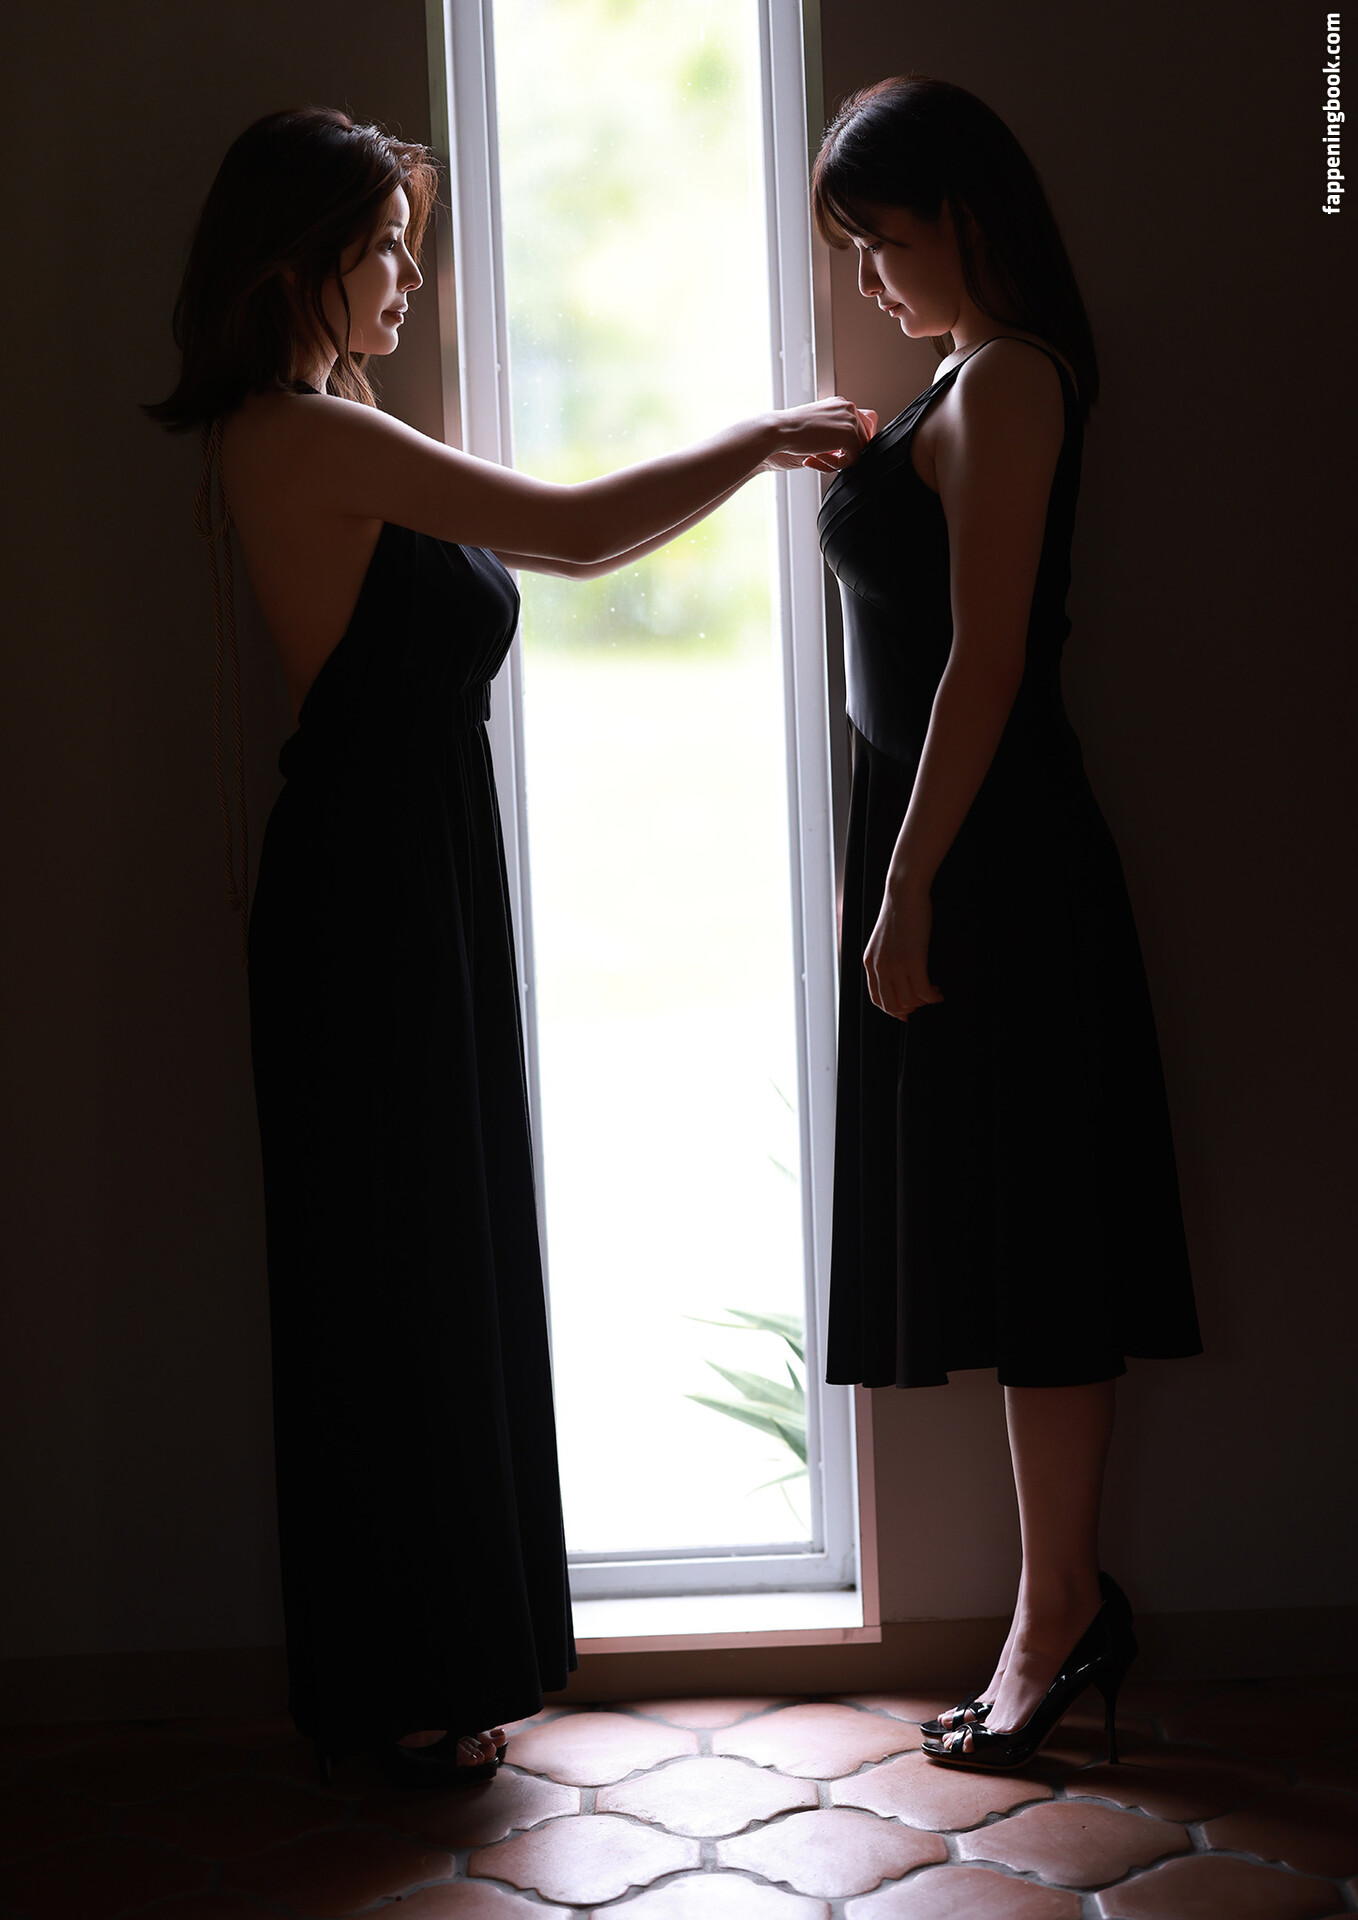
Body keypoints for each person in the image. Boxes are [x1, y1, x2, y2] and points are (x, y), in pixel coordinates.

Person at [149, 105, 868, 1788]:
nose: (411, 277)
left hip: (410, 873)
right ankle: (397, 1681)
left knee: (427, 1261)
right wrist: (760, 439)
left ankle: (439, 1661)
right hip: (366, 891)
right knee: (390, 1275)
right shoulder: (295, 434)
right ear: (301, 266)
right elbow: (573, 529)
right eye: (387, 250)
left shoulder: (341, 417)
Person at [812, 76, 1202, 1770]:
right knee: (1006, 1235)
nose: (866, 276)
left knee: (1043, 1246)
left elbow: (986, 659)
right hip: (959, 846)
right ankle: (1061, 1609)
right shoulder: (959, 381)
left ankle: (1056, 1619)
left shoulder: (1012, 378)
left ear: (964, 217)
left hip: (1001, 862)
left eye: (883, 240)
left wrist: (907, 879)